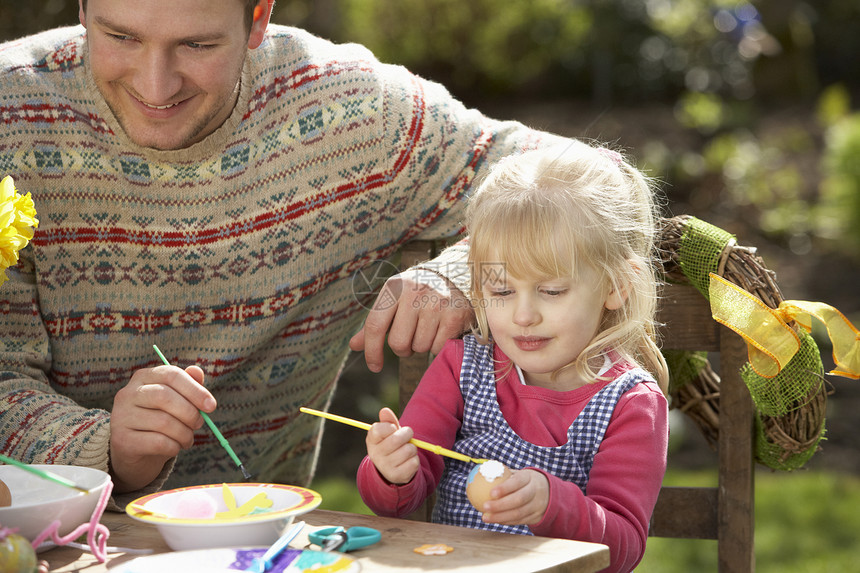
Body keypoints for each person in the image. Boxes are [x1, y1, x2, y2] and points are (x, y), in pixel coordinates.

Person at [0, 0, 570, 502]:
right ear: (81, 10)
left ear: (258, 19)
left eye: (196, 45)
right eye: (121, 37)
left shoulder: (350, 112)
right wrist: (108, 452)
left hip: (265, 539)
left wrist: (471, 270)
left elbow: (592, 180)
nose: (156, 85)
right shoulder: (10, 110)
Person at [357, 143, 670, 573]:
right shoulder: (463, 366)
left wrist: (552, 504)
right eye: (501, 291)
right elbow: (399, 500)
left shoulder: (630, 403)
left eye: (552, 290)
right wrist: (392, 472)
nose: (523, 316)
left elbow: (624, 548)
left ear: (617, 285)